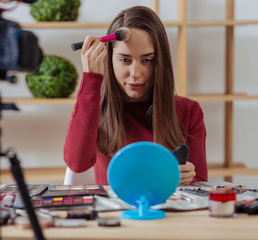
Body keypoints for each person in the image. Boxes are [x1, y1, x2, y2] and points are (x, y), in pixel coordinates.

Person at [63, 6, 207, 186]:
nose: (135, 73)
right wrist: (90, 79)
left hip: (167, 212)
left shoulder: (189, 111)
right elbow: (77, 164)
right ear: (109, 59)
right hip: (113, 212)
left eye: (147, 60)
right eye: (125, 60)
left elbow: (201, 184)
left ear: (160, 62)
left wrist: (188, 178)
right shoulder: (93, 108)